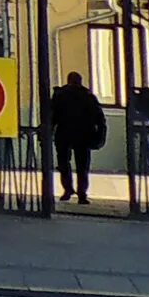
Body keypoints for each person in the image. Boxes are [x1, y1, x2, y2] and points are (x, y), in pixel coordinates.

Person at [48, 70, 107, 203]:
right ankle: (81, 194)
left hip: (64, 134)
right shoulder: (88, 96)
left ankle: (68, 190)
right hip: (83, 135)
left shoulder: (60, 94)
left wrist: (48, 131)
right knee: (82, 166)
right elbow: (99, 118)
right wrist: (100, 135)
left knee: (64, 163)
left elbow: (52, 116)